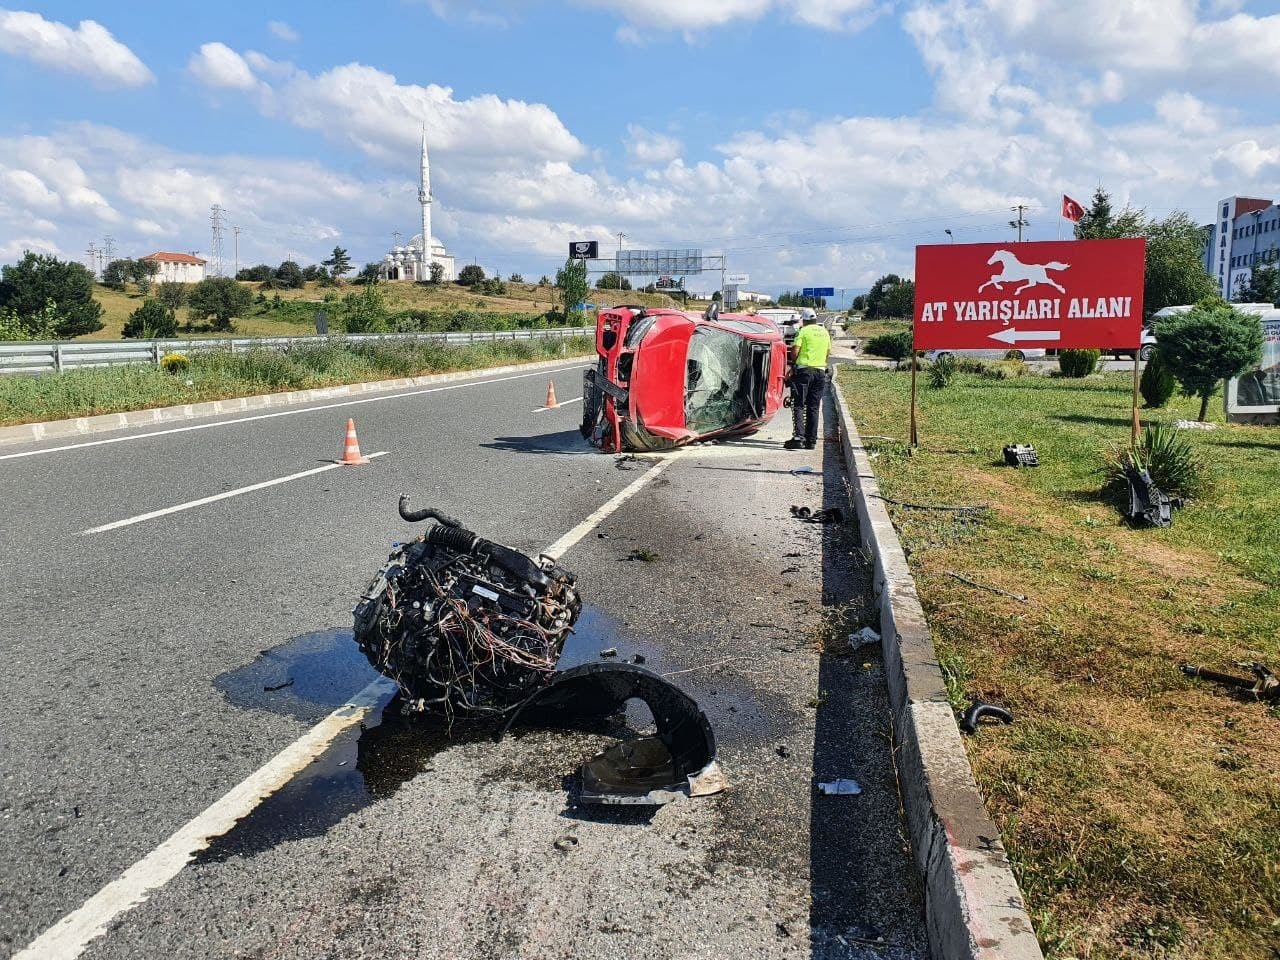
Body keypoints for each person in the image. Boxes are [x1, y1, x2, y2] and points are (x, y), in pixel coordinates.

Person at [784, 313, 831, 450]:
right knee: (813, 407)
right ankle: (811, 441)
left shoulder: (802, 331)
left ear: (804, 320)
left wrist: (793, 366)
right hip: (820, 371)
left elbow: (795, 351)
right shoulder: (824, 332)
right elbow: (828, 352)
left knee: (798, 404)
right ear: (815, 320)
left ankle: (799, 437)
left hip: (804, 371)